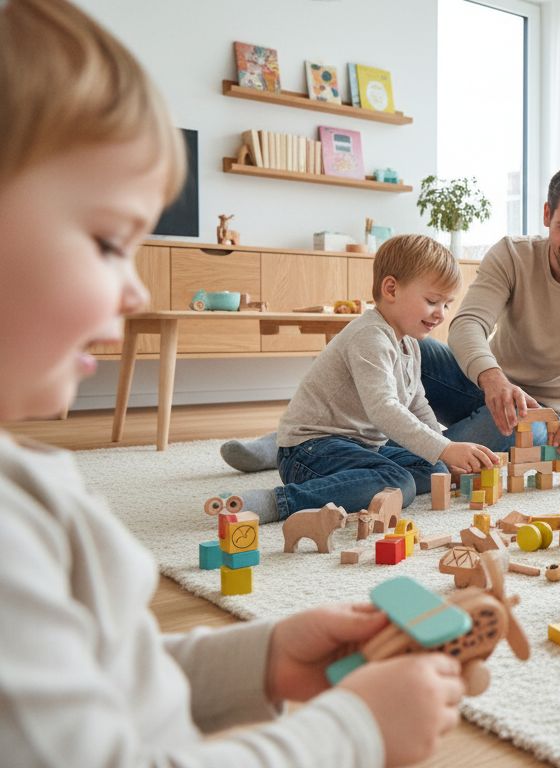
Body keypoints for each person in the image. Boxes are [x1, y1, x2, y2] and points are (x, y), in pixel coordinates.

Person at [0, 2, 464, 765]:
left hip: (361, 443)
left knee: (405, 471)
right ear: (386, 290)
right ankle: (275, 485)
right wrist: (351, 731)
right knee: (388, 470)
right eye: (110, 240)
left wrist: (260, 658)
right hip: (324, 443)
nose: (135, 292)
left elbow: (106, 678)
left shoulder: (29, 494)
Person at [221, 163, 560, 472]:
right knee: (407, 345)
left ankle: (344, 450)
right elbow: (468, 325)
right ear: (548, 215)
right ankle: (301, 440)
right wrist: (492, 377)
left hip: (542, 413)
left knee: (451, 457)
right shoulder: (512, 254)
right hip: (483, 382)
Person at [231, 235, 499, 523]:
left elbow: (417, 404)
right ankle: (280, 501)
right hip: (311, 449)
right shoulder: (369, 335)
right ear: (391, 289)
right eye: (433, 301)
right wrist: (445, 447)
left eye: (446, 305)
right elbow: (384, 409)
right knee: (398, 483)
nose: (441, 314)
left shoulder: (409, 344)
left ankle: (355, 482)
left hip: (360, 446)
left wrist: (441, 453)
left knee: (434, 470)